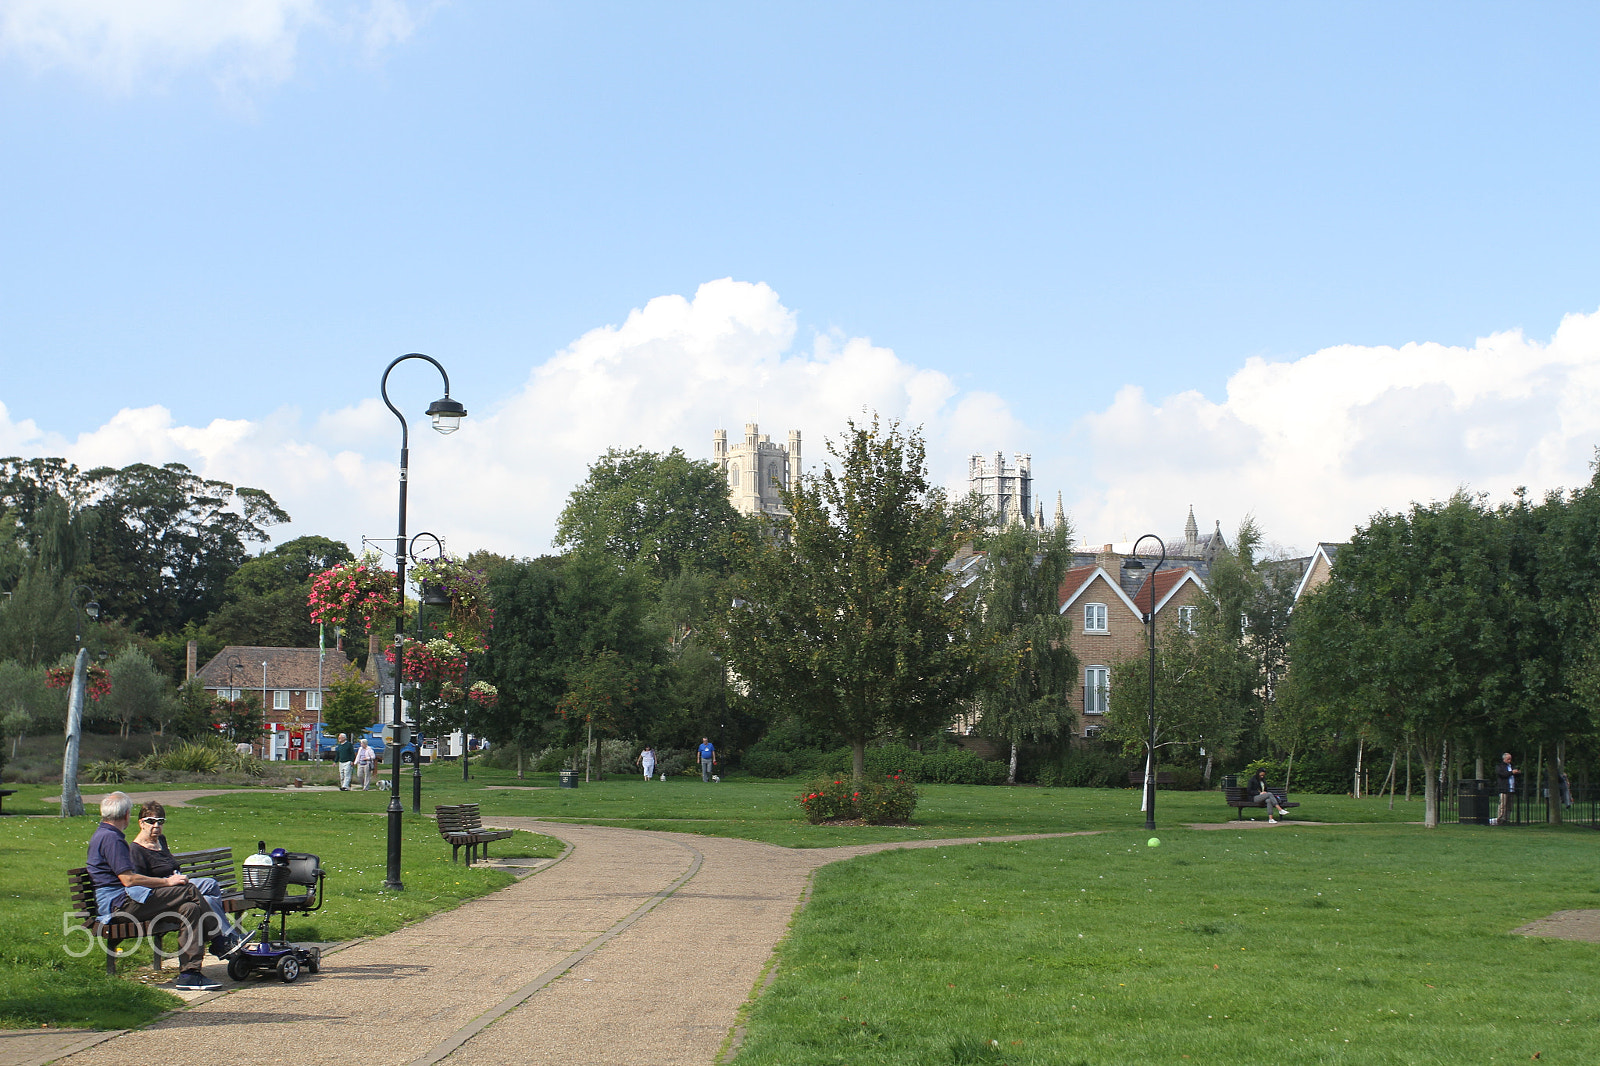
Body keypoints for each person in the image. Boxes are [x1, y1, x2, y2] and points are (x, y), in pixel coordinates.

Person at [85, 791, 221, 991]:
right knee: (189, 890)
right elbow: (129, 879)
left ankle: (189, 974)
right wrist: (167, 882)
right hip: (120, 906)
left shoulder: (106, 835)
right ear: (127, 815)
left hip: (125, 901)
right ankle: (219, 941)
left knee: (190, 908)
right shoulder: (112, 839)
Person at [127, 800, 243, 957]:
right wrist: (168, 882)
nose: (156, 826)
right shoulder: (135, 850)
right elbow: (140, 883)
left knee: (208, 900)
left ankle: (225, 941)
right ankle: (227, 937)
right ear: (141, 823)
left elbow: (170, 864)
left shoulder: (161, 840)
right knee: (210, 885)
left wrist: (176, 875)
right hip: (163, 893)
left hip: (175, 883)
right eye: (151, 821)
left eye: (160, 822)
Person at [1495, 752, 1520, 825]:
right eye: (1508, 759)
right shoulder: (1500, 766)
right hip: (1504, 788)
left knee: (1509, 806)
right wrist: (1511, 772)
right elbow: (1502, 774)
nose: (1509, 760)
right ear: (1504, 759)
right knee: (1503, 805)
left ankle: (1507, 819)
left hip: (1511, 789)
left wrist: (1517, 773)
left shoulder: (1512, 766)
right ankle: (1500, 819)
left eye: (1510, 759)